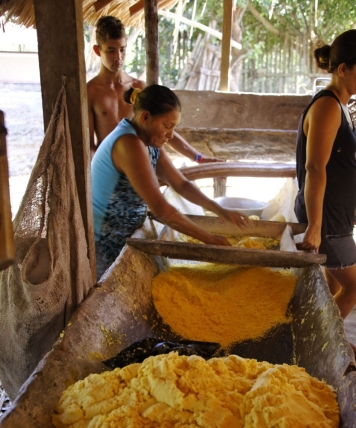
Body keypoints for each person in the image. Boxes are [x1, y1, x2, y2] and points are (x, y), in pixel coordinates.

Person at [92, 84, 248, 278]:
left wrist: (219, 209)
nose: (171, 134)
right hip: (107, 240)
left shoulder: (147, 141)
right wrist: (210, 239)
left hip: (127, 232)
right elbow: (161, 209)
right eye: (167, 126)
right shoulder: (128, 143)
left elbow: (181, 184)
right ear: (145, 117)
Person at [294, 29, 356, 363]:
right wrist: (315, 225)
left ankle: (332, 337)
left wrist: (351, 202)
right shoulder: (328, 106)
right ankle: (320, 347)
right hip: (324, 216)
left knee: (329, 291)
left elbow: (339, 161)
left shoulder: (340, 105)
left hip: (334, 211)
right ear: (342, 69)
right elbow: (314, 168)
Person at [87, 15, 221, 164]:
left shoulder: (139, 87)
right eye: (111, 50)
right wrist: (99, 174)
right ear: (98, 50)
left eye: (122, 50)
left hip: (141, 166)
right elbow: (89, 146)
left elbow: (165, 130)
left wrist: (199, 158)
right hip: (109, 168)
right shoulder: (91, 92)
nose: (118, 57)